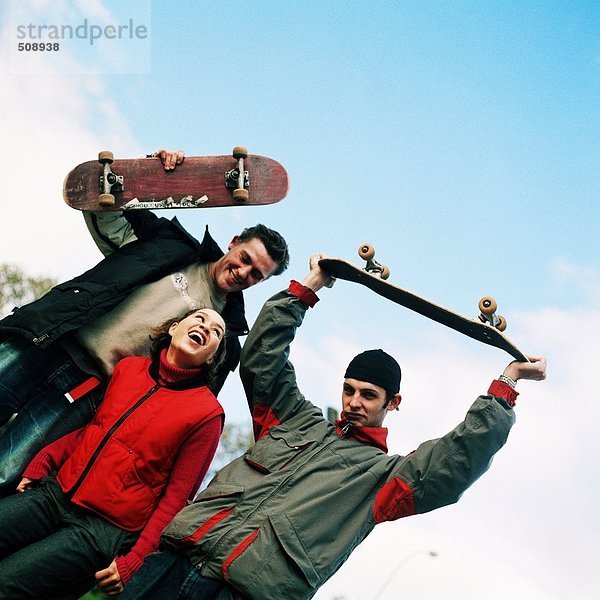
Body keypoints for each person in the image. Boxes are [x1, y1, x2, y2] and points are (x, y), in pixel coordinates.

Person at [121, 254, 547, 600]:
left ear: (392, 403)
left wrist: (506, 384)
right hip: (174, 561)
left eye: (368, 395)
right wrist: (308, 288)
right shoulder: (295, 418)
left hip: (244, 593)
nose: (354, 402)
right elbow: (262, 360)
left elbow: (457, 458)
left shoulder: (384, 479)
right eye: (349, 390)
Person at [0, 149, 289, 495]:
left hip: (88, 390)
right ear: (233, 243)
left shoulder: (222, 343)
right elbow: (103, 207)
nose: (243, 273)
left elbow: (176, 403)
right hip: (49, 339)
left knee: (8, 470)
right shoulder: (170, 246)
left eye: (256, 274)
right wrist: (151, 172)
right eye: (244, 259)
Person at [0, 307, 229, 599]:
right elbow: (94, 431)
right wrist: (44, 461)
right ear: (173, 328)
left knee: (6, 582)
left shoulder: (206, 414)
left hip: (99, 532)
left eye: (217, 332)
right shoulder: (128, 369)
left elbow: (176, 499)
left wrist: (136, 559)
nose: (206, 328)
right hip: (55, 494)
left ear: (211, 357)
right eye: (200, 319)